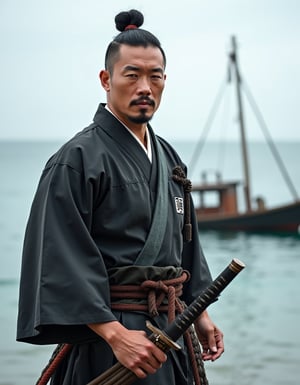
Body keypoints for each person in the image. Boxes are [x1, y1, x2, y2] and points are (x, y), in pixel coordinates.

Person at [17, 9, 224, 385]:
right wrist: (115, 334)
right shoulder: (77, 159)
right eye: (132, 75)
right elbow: (60, 256)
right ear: (106, 79)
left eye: (155, 76)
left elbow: (185, 245)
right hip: (111, 341)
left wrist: (200, 314)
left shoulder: (169, 158)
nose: (145, 87)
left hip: (171, 330)